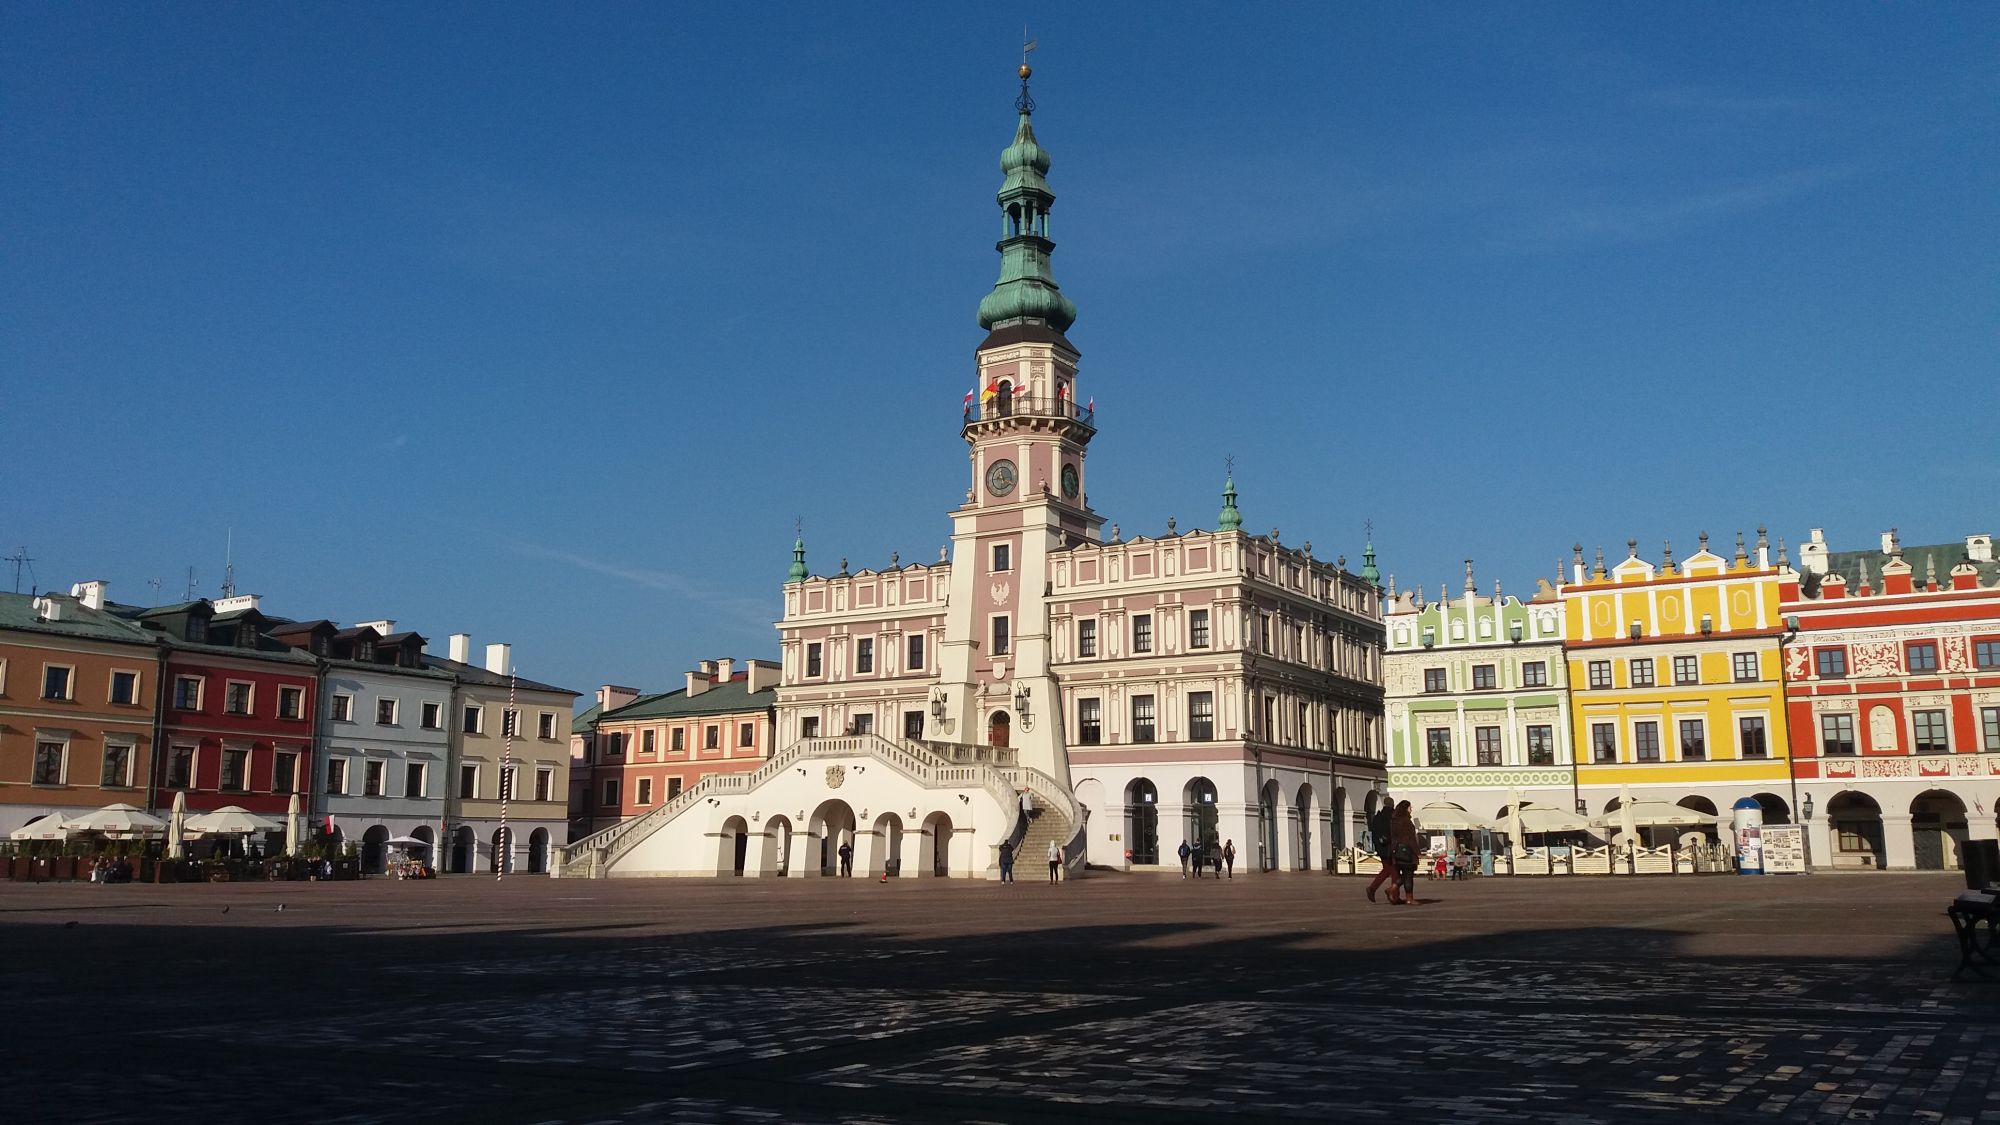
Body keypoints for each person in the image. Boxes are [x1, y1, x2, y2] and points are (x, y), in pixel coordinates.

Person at [1365, 802, 1397, 902]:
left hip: (1381, 848)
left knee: (1387, 869)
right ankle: (1393, 894)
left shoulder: (1377, 817)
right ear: (1393, 805)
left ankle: (1373, 888)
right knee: (1394, 870)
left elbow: (1374, 834)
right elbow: (1394, 832)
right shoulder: (1393, 816)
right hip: (1391, 848)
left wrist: (1378, 847)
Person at [1390, 801, 1420, 905]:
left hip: (1396, 851)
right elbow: (1410, 839)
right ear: (1405, 808)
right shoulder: (1406, 821)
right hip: (1407, 851)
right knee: (1408, 875)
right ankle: (1409, 898)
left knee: (1403, 874)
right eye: (1410, 808)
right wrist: (1417, 851)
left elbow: (1393, 836)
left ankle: (1393, 888)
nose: (1411, 809)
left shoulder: (1394, 820)